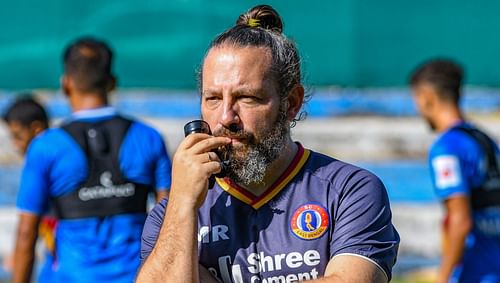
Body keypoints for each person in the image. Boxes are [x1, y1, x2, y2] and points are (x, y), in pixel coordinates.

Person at [137, 5, 399, 282]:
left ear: (291, 103)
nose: (226, 118)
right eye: (212, 98)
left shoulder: (350, 190)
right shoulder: (173, 213)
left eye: (247, 98)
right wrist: (182, 205)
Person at [12, 37, 172, 283]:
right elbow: (171, 220)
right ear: (112, 83)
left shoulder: (46, 146)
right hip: (136, 276)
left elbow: (26, 234)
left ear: (65, 85)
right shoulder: (149, 138)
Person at [410, 59, 500, 282]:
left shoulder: (446, 149)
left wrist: (443, 277)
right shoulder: (485, 140)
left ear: (427, 96)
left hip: (476, 273)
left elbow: (461, 220)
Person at [2, 96, 56, 281]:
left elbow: (26, 231)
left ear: (36, 128)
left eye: (18, 136)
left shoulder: (41, 160)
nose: (15, 145)